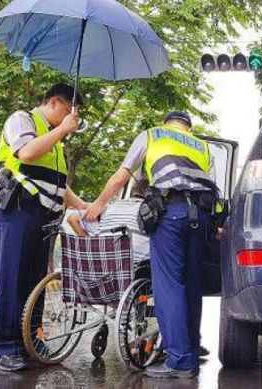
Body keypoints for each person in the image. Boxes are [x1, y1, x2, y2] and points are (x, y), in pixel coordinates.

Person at [85, 111, 217, 379]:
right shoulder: (203, 146)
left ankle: (179, 361)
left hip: (170, 213)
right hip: (200, 217)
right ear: (188, 127)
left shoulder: (152, 134)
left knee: (168, 286)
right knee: (192, 285)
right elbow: (214, 189)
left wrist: (98, 203)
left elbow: (122, 176)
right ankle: (190, 351)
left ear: (166, 124)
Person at [0, 83, 88, 372]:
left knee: (34, 282)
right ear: (55, 102)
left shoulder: (54, 141)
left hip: (44, 215)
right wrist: (62, 130)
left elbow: (57, 182)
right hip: (16, 209)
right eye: (70, 111)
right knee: (10, 278)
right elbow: (26, 153)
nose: (73, 119)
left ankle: (29, 342)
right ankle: (5, 348)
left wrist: (83, 206)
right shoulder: (23, 120)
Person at [65, 185, 150, 262]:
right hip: (135, 271)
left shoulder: (107, 209)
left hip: (102, 270)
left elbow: (72, 219)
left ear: (131, 194)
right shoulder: (151, 214)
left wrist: (89, 246)